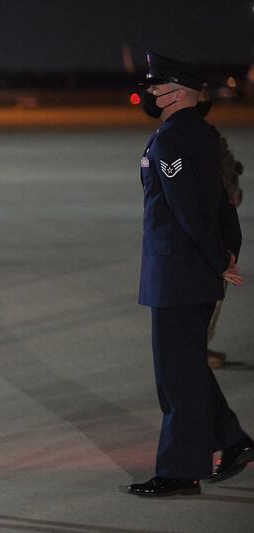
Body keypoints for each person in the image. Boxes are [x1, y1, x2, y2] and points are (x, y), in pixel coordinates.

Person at [128, 52, 253, 497]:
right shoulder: (203, 134)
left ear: (178, 93)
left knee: (177, 377)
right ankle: (232, 441)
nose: (149, 95)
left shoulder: (171, 140)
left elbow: (186, 209)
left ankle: (181, 472)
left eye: (155, 89)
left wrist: (218, 259)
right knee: (188, 369)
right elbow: (221, 202)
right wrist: (228, 251)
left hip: (178, 272)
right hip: (195, 269)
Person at [195, 88, 244, 369]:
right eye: (200, 93)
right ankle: (197, 349)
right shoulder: (199, 135)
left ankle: (201, 346)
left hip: (217, 218)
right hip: (211, 222)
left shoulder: (199, 132)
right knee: (210, 290)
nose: (205, 98)